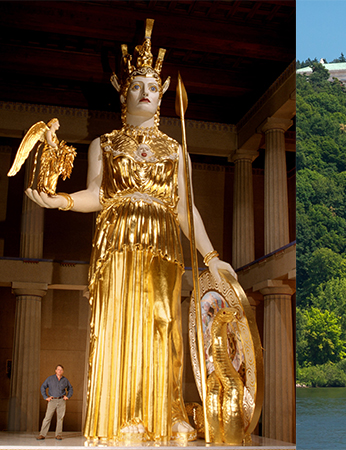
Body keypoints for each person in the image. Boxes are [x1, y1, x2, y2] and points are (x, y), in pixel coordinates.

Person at [26, 19, 235, 442]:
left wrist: (213, 258)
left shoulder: (177, 151)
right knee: (123, 326)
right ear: (124, 93)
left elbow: (185, 208)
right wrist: (60, 200)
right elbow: (95, 195)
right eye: (137, 85)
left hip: (162, 243)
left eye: (152, 87)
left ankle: (169, 411)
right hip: (119, 242)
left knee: (163, 323)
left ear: (161, 97)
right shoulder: (103, 144)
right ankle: (129, 416)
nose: (144, 92)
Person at [37, 365, 73, 440]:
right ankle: (42, 434)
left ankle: (58, 435)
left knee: (60, 418)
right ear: (55, 371)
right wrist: (46, 397)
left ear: (62, 372)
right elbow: (43, 387)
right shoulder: (50, 379)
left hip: (61, 400)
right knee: (47, 417)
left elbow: (70, 388)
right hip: (52, 400)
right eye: (58, 369)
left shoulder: (65, 380)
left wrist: (68, 396)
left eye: (61, 370)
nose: (59, 371)